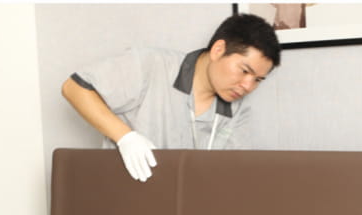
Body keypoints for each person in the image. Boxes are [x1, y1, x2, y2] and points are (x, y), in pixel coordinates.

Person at [62, 13, 281, 182]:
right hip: (125, 198)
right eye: (244, 71)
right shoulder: (151, 65)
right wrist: (125, 137)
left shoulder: (238, 110)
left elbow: (233, 172)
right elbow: (74, 88)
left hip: (189, 208)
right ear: (218, 50)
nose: (248, 86)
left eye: (258, 80)